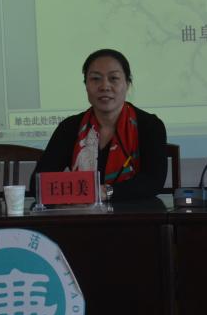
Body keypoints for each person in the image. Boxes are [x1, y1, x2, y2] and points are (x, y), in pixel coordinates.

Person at [29, 48, 167, 202]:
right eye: (95, 79)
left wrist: (105, 192)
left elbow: (153, 182)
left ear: (127, 84)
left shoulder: (149, 126)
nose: (104, 86)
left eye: (113, 78)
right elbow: (38, 184)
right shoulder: (70, 127)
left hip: (135, 213)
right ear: (86, 85)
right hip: (83, 214)